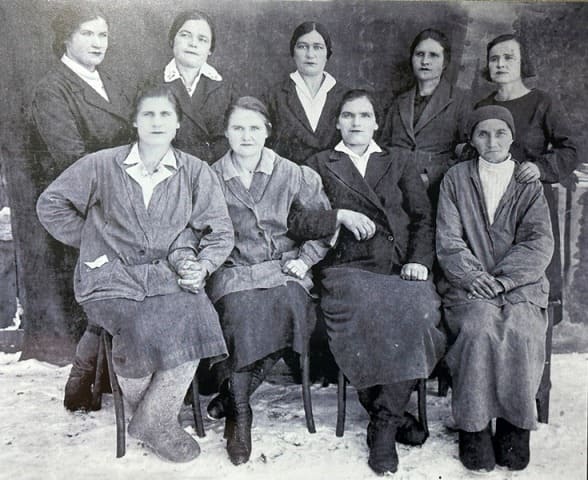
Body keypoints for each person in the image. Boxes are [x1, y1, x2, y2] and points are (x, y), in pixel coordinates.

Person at [36, 85, 234, 462]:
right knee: (137, 324)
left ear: (177, 124)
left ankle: (151, 419)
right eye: (148, 115)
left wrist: (203, 265)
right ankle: (155, 420)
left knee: (198, 314)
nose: (157, 122)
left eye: (165, 115)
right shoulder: (101, 164)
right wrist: (93, 241)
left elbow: (220, 231)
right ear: (134, 121)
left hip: (165, 276)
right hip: (109, 278)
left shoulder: (195, 172)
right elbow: (51, 204)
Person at [289, 90, 446, 475]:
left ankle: (383, 419)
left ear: (377, 122)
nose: (356, 123)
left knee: (422, 312)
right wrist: (337, 215)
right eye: (347, 115)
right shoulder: (319, 163)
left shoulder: (398, 160)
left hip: (398, 267)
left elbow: (423, 218)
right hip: (348, 269)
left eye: (364, 115)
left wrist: (418, 261)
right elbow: (296, 221)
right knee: (365, 313)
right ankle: (389, 419)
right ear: (338, 122)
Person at [207, 96, 331, 465]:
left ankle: (233, 398)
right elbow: (200, 231)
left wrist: (306, 259)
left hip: (283, 266)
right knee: (241, 313)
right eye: (238, 128)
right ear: (226, 132)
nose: (246, 136)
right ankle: (241, 416)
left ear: (267, 132)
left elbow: (323, 225)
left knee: (292, 305)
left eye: (254, 128)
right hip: (233, 271)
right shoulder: (211, 177)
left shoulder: (293, 173)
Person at [436, 106, 554, 472]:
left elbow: (538, 241)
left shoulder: (526, 182)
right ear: (471, 139)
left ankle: (514, 427)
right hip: (468, 283)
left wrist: (504, 279)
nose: (492, 142)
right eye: (483, 134)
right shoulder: (456, 178)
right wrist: (474, 277)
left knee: (521, 328)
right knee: (478, 329)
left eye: (500, 133)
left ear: (512, 137)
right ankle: (474, 429)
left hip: (520, 283)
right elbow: (449, 240)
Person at [28, 4, 132, 411]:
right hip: (88, 203)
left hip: (122, 198)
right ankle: (83, 378)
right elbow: (70, 158)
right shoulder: (53, 89)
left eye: (103, 35)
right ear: (66, 38)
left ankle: (93, 378)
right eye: (88, 34)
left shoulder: (111, 82)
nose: (97, 43)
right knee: (103, 287)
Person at [475, 33, 578, 325]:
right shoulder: (482, 106)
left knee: (535, 282)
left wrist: (541, 168)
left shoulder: (542, 102)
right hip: (490, 201)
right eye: (494, 58)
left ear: (523, 63)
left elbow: (570, 148)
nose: (500, 64)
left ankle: (538, 365)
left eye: (509, 58)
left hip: (532, 202)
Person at [379, 28, 471, 207]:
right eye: (419, 54)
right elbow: (383, 146)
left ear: (445, 62)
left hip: (437, 190)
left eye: (433, 55)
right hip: (395, 189)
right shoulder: (399, 102)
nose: (425, 61)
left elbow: (468, 153)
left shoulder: (460, 101)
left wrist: (431, 176)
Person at [144, 10, 236, 163]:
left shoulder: (227, 87)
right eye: (185, 35)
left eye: (202, 39)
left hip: (216, 173)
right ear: (172, 40)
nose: (193, 44)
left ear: (210, 50)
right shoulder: (151, 84)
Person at [265, 21, 349, 165]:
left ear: (327, 53)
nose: (310, 54)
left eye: (318, 47)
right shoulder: (274, 96)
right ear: (293, 52)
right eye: (303, 47)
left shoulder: (346, 96)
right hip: (289, 180)